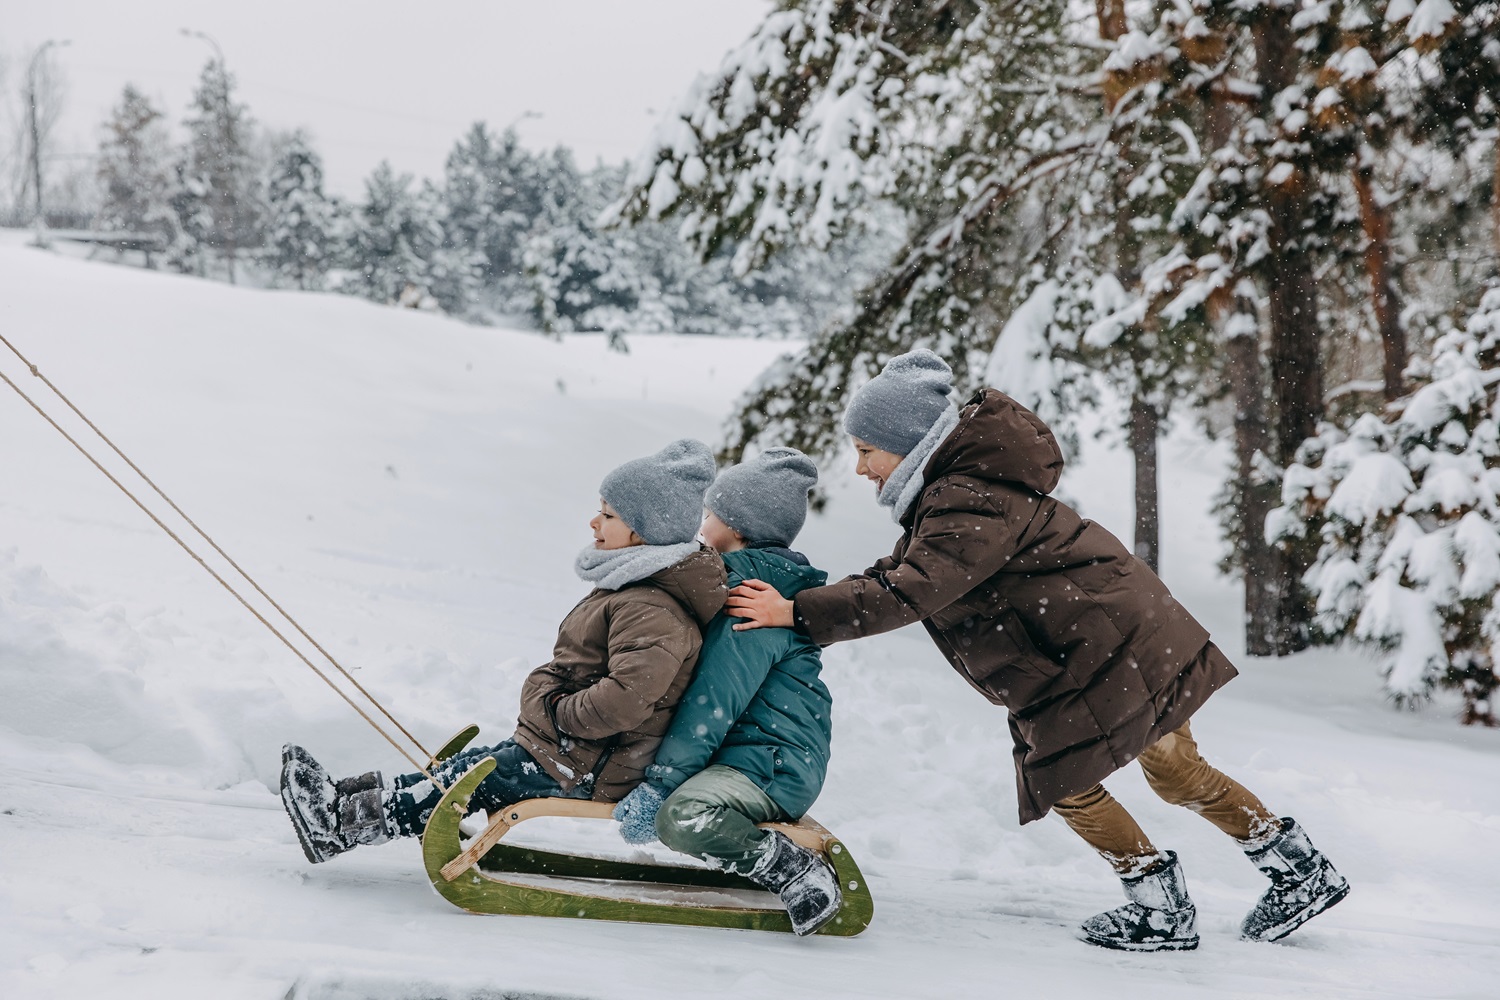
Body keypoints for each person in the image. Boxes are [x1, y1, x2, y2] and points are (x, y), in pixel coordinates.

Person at [726, 350, 1349, 952]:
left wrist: (796, 613)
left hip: (1096, 654)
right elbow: (903, 571)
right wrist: (817, 598)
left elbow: (909, 589)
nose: (862, 469)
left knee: (1064, 777)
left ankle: (1162, 905)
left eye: (866, 451)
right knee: (1173, 770)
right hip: (1123, 641)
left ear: (909, 443)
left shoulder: (966, 497)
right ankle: (1296, 869)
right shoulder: (960, 490)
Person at [280, 439, 726, 863]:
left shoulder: (653, 608)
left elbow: (626, 699)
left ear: (640, 533)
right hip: (567, 751)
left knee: (471, 782)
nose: (593, 523)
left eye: (606, 515)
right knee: (466, 769)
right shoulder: (634, 593)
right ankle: (346, 801)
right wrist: (550, 703)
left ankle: (341, 826)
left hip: (586, 765)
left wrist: (556, 710)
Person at [611, 448, 840, 935]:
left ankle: (793, 870)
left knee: (682, 817)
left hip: (773, 763)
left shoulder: (750, 601)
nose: (701, 524)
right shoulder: (749, 587)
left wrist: (663, 783)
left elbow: (714, 702)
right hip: (752, 755)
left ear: (737, 529)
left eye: (711, 514)